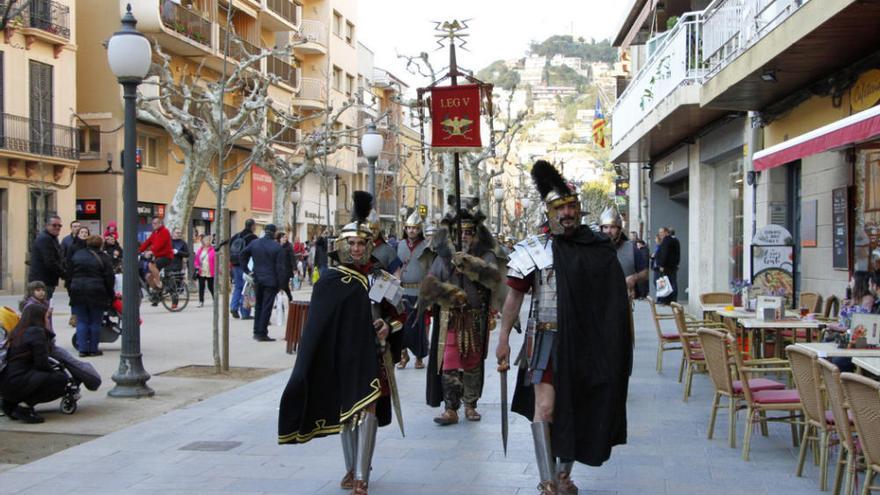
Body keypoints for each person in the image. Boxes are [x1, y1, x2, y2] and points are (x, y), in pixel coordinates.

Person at [496, 160, 632, 494]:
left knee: (581, 405)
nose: (567, 213)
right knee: (546, 407)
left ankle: (563, 475)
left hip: (588, 342)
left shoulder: (597, 248)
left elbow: (613, 300)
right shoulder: (534, 250)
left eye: (572, 206)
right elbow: (513, 298)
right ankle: (547, 482)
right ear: (549, 211)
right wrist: (502, 341)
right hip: (545, 338)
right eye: (561, 207)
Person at [278, 191, 403, 495]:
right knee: (348, 413)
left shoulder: (381, 277)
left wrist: (387, 326)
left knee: (368, 409)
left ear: (369, 245)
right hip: (343, 356)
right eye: (352, 243)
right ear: (343, 245)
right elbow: (319, 325)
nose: (357, 248)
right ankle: (351, 469)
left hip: (373, 355)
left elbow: (400, 315)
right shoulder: (329, 281)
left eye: (362, 243)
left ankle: (361, 475)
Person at [422, 198, 504, 426]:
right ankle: (450, 408)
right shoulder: (442, 257)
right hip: (450, 317)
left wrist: (471, 265)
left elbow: (494, 280)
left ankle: (470, 405)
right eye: (460, 232)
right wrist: (447, 291)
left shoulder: (486, 255)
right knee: (448, 363)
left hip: (474, 317)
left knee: (472, 363)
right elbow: (430, 284)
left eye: (469, 232)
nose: (464, 236)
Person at [0, 304, 69, 423]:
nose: (48, 320)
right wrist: (56, 371)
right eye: (47, 317)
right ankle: (25, 407)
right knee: (60, 379)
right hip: (17, 382)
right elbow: (41, 364)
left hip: (5, 383)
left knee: (36, 376)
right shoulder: (36, 332)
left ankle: (9, 404)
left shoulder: (16, 331)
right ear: (39, 318)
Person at [396, 210, 433, 369]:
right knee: (402, 327)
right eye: (409, 228)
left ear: (419, 230)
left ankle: (419, 357)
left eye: (415, 228)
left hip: (419, 293)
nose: (411, 231)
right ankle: (403, 356)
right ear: (405, 229)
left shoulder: (426, 247)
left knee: (418, 328)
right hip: (403, 293)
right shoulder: (400, 245)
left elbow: (431, 271)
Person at [69, 236, 115, 357]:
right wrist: (111, 294)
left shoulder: (77, 255)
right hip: (97, 291)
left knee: (82, 321)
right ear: (100, 245)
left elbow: (69, 273)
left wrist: (71, 289)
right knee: (95, 321)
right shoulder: (104, 257)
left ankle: (83, 349)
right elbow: (109, 278)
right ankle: (93, 349)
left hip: (77, 290)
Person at [240, 224, 283, 342]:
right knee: (266, 306)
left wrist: (247, 271)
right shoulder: (277, 247)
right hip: (271, 280)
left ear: (264, 231)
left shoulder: (255, 243)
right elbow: (280, 268)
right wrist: (281, 284)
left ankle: (256, 331)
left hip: (257, 278)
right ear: (274, 233)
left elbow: (243, 254)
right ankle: (262, 332)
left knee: (258, 305)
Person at [599, 207, 648, 301]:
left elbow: (645, 273)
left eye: (612, 227)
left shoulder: (631, 249)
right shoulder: (593, 250)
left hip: (623, 300)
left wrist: (634, 277)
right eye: (605, 227)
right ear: (601, 229)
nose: (608, 231)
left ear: (619, 229)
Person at [28, 215, 66, 300]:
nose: (57, 227)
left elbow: (58, 257)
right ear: (47, 225)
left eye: (59, 225)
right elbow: (50, 262)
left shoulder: (52, 238)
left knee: (44, 307)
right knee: (41, 308)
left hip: (46, 281)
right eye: (54, 225)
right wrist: (65, 274)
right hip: (41, 282)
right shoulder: (45, 239)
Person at [228, 219, 258, 319]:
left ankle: (233, 306)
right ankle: (245, 312)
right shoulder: (253, 237)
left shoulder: (236, 235)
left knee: (238, 286)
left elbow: (229, 247)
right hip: (246, 265)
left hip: (234, 263)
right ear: (253, 226)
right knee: (247, 287)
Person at [138, 217, 173, 291]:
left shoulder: (165, 231)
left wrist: (151, 251)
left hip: (166, 256)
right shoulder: (155, 233)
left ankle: (158, 282)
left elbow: (159, 244)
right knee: (148, 276)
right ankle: (157, 293)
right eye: (152, 223)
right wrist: (139, 250)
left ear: (160, 223)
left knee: (151, 265)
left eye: (155, 223)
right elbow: (148, 242)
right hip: (158, 257)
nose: (153, 225)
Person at [655, 226, 680, 304]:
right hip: (672, 265)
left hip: (667, 266)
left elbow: (664, 253)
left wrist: (662, 265)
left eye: (661, 232)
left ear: (666, 232)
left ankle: (666, 300)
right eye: (659, 233)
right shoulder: (675, 240)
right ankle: (672, 300)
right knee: (672, 282)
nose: (660, 234)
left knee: (667, 283)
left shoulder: (666, 240)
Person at [194, 234, 216, 307]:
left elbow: (216, 260)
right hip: (202, 271)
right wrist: (197, 266)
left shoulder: (213, 249)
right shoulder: (200, 250)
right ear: (203, 241)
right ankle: (201, 301)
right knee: (201, 287)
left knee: (211, 286)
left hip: (210, 271)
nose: (207, 241)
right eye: (206, 240)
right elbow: (196, 260)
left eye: (209, 240)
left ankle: (214, 299)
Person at [276, 231, 296, 303]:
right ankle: (288, 298)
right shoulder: (276, 246)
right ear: (280, 238)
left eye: (286, 237)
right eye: (283, 237)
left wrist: (294, 268)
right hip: (278, 269)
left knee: (283, 285)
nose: (285, 238)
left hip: (286, 269)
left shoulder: (289, 246)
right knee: (283, 286)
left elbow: (292, 258)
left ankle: (286, 298)